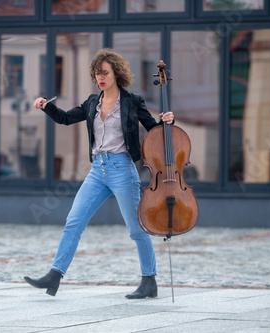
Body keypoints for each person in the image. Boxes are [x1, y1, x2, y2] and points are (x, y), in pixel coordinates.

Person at [24, 48, 174, 299]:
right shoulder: (92, 102)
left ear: (116, 73)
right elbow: (65, 118)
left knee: (137, 229)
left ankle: (149, 281)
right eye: (97, 74)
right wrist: (46, 106)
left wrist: (166, 122)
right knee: (74, 222)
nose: (101, 78)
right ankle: (54, 275)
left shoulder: (132, 101)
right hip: (97, 171)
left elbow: (153, 129)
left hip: (122, 170)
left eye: (105, 73)